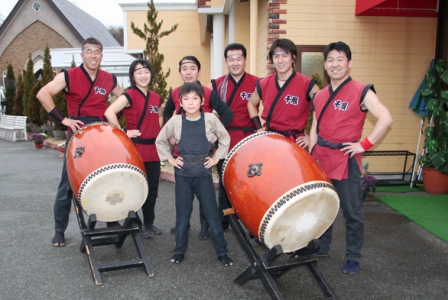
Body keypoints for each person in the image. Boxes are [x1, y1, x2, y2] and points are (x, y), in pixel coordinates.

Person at [309, 41, 393, 275]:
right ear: (325, 65)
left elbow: (386, 118)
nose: (335, 64)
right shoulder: (320, 95)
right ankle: (322, 247)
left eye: (340, 59)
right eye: (330, 60)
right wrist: (312, 154)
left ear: (349, 62)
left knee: (352, 212)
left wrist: (363, 145)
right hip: (321, 158)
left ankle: (353, 257)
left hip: (346, 160)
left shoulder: (362, 90)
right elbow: (315, 126)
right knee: (323, 208)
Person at [37, 37, 124, 247]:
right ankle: (60, 230)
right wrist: (63, 119)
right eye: (89, 51)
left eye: (97, 52)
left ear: (102, 55)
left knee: (107, 177)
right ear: (82, 55)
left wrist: (114, 123)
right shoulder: (69, 75)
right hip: (79, 132)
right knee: (68, 184)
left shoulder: (109, 78)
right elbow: (43, 93)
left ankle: (112, 222)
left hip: (102, 133)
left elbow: (124, 101)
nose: (93, 55)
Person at [156, 82, 233, 266]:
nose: (191, 102)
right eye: (186, 99)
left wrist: (215, 159)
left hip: (203, 174)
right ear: (180, 102)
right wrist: (171, 160)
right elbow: (160, 140)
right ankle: (179, 251)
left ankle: (222, 252)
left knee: (212, 215)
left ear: (202, 101)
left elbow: (225, 138)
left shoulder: (210, 119)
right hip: (183, 175)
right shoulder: (175, 121)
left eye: (195, 98)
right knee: (182, 216)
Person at [163, 55, 234, 239]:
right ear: (180, 72)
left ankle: (205, 226)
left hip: (202, 154)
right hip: (182, 154)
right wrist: (169, 133)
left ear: (199, 71)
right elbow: (166, 112)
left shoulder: (208, 92)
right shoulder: (175, 93)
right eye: (184, 68)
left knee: (205, 193)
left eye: (192, 68)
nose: (188, 72)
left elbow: (227, 113)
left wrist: (213, 135)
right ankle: (183, 225)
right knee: (182, 194)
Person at [104, 59, 163, 239]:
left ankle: (149, 222)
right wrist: (123, 133)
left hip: (153, 149)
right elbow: (109, 112)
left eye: (146, 71)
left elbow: (160, 116)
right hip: (136, 149)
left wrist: (159, 133)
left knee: (152, 189)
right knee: (135, 188)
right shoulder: (129, 95)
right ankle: (135, 226)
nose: (143, 75)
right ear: (132, 76)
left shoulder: (156, 97)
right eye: (138, 72)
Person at [209, 43, 260, 229]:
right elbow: (203, 107)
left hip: (248, 140)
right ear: (226, 61)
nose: (235, 62)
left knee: (250, 181)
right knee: (225, 181)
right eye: (231, 59)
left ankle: (251, 220)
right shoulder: (217, 83)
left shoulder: (258, 82)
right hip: (225, 139)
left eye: (239, 58)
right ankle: (224, 221)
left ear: (245, 59)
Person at [247, 38, 320, 149]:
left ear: (293, 58)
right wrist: (258, 127)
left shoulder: (307, 84)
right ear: (272, 59)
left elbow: (323, 109)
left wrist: (312, 138)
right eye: (276, 56)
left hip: (295, 143)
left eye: (285, 55)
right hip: (270, 140)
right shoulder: (264, 83)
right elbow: (251, 104)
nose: (280, 60)